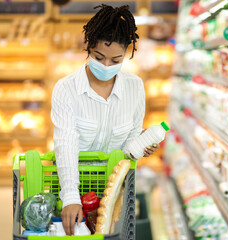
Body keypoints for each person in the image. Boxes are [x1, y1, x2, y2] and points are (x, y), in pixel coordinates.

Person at [50, 4, 159, 236]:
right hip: (74, 184)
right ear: (88, 48)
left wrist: (141, 145)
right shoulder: (66, 89)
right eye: (99, 57)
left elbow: (129, 145)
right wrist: (70, 197)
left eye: (115, 60)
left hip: (115, 189)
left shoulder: (135, 87)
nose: (106, 66)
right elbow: (65, 143)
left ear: (126, 54)